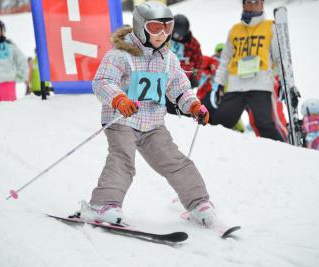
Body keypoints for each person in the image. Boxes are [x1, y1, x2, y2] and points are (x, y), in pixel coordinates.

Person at [78, 1, 217, 228]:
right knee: (123, 160)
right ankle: (103, 205)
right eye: (155, 28)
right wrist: (119, 98)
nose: (162, 34)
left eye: (168, 28)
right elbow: (102, 81)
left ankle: (198, 203)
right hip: (121, 120)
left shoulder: (169, 60)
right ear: (140, 26)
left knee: (175, 162)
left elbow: (180, 90)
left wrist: (193, 106)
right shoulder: (120, 55)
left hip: (153, 124)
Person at [211, 0, 285, 142]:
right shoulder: (234, 30)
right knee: (219, 124)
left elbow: (279, 58)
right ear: (243, 5)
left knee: (264, 125)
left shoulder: (270, 27)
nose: (252, 5)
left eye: (256, 2)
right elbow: (225, 60)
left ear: (262, 4)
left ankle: (285, 155)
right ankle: (214, 156)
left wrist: (284, 82)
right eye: (248, 2)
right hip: (235, 86)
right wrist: (218, 84)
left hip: (260, 85)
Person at [166, 14, 203, 115]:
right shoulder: (165, 38)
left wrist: (196, 76)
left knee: (182, 105)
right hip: (166, 78)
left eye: (179, 36)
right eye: (174, 35)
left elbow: (199, 62)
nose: (177, 38)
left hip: (184, 80)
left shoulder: (193, 44)